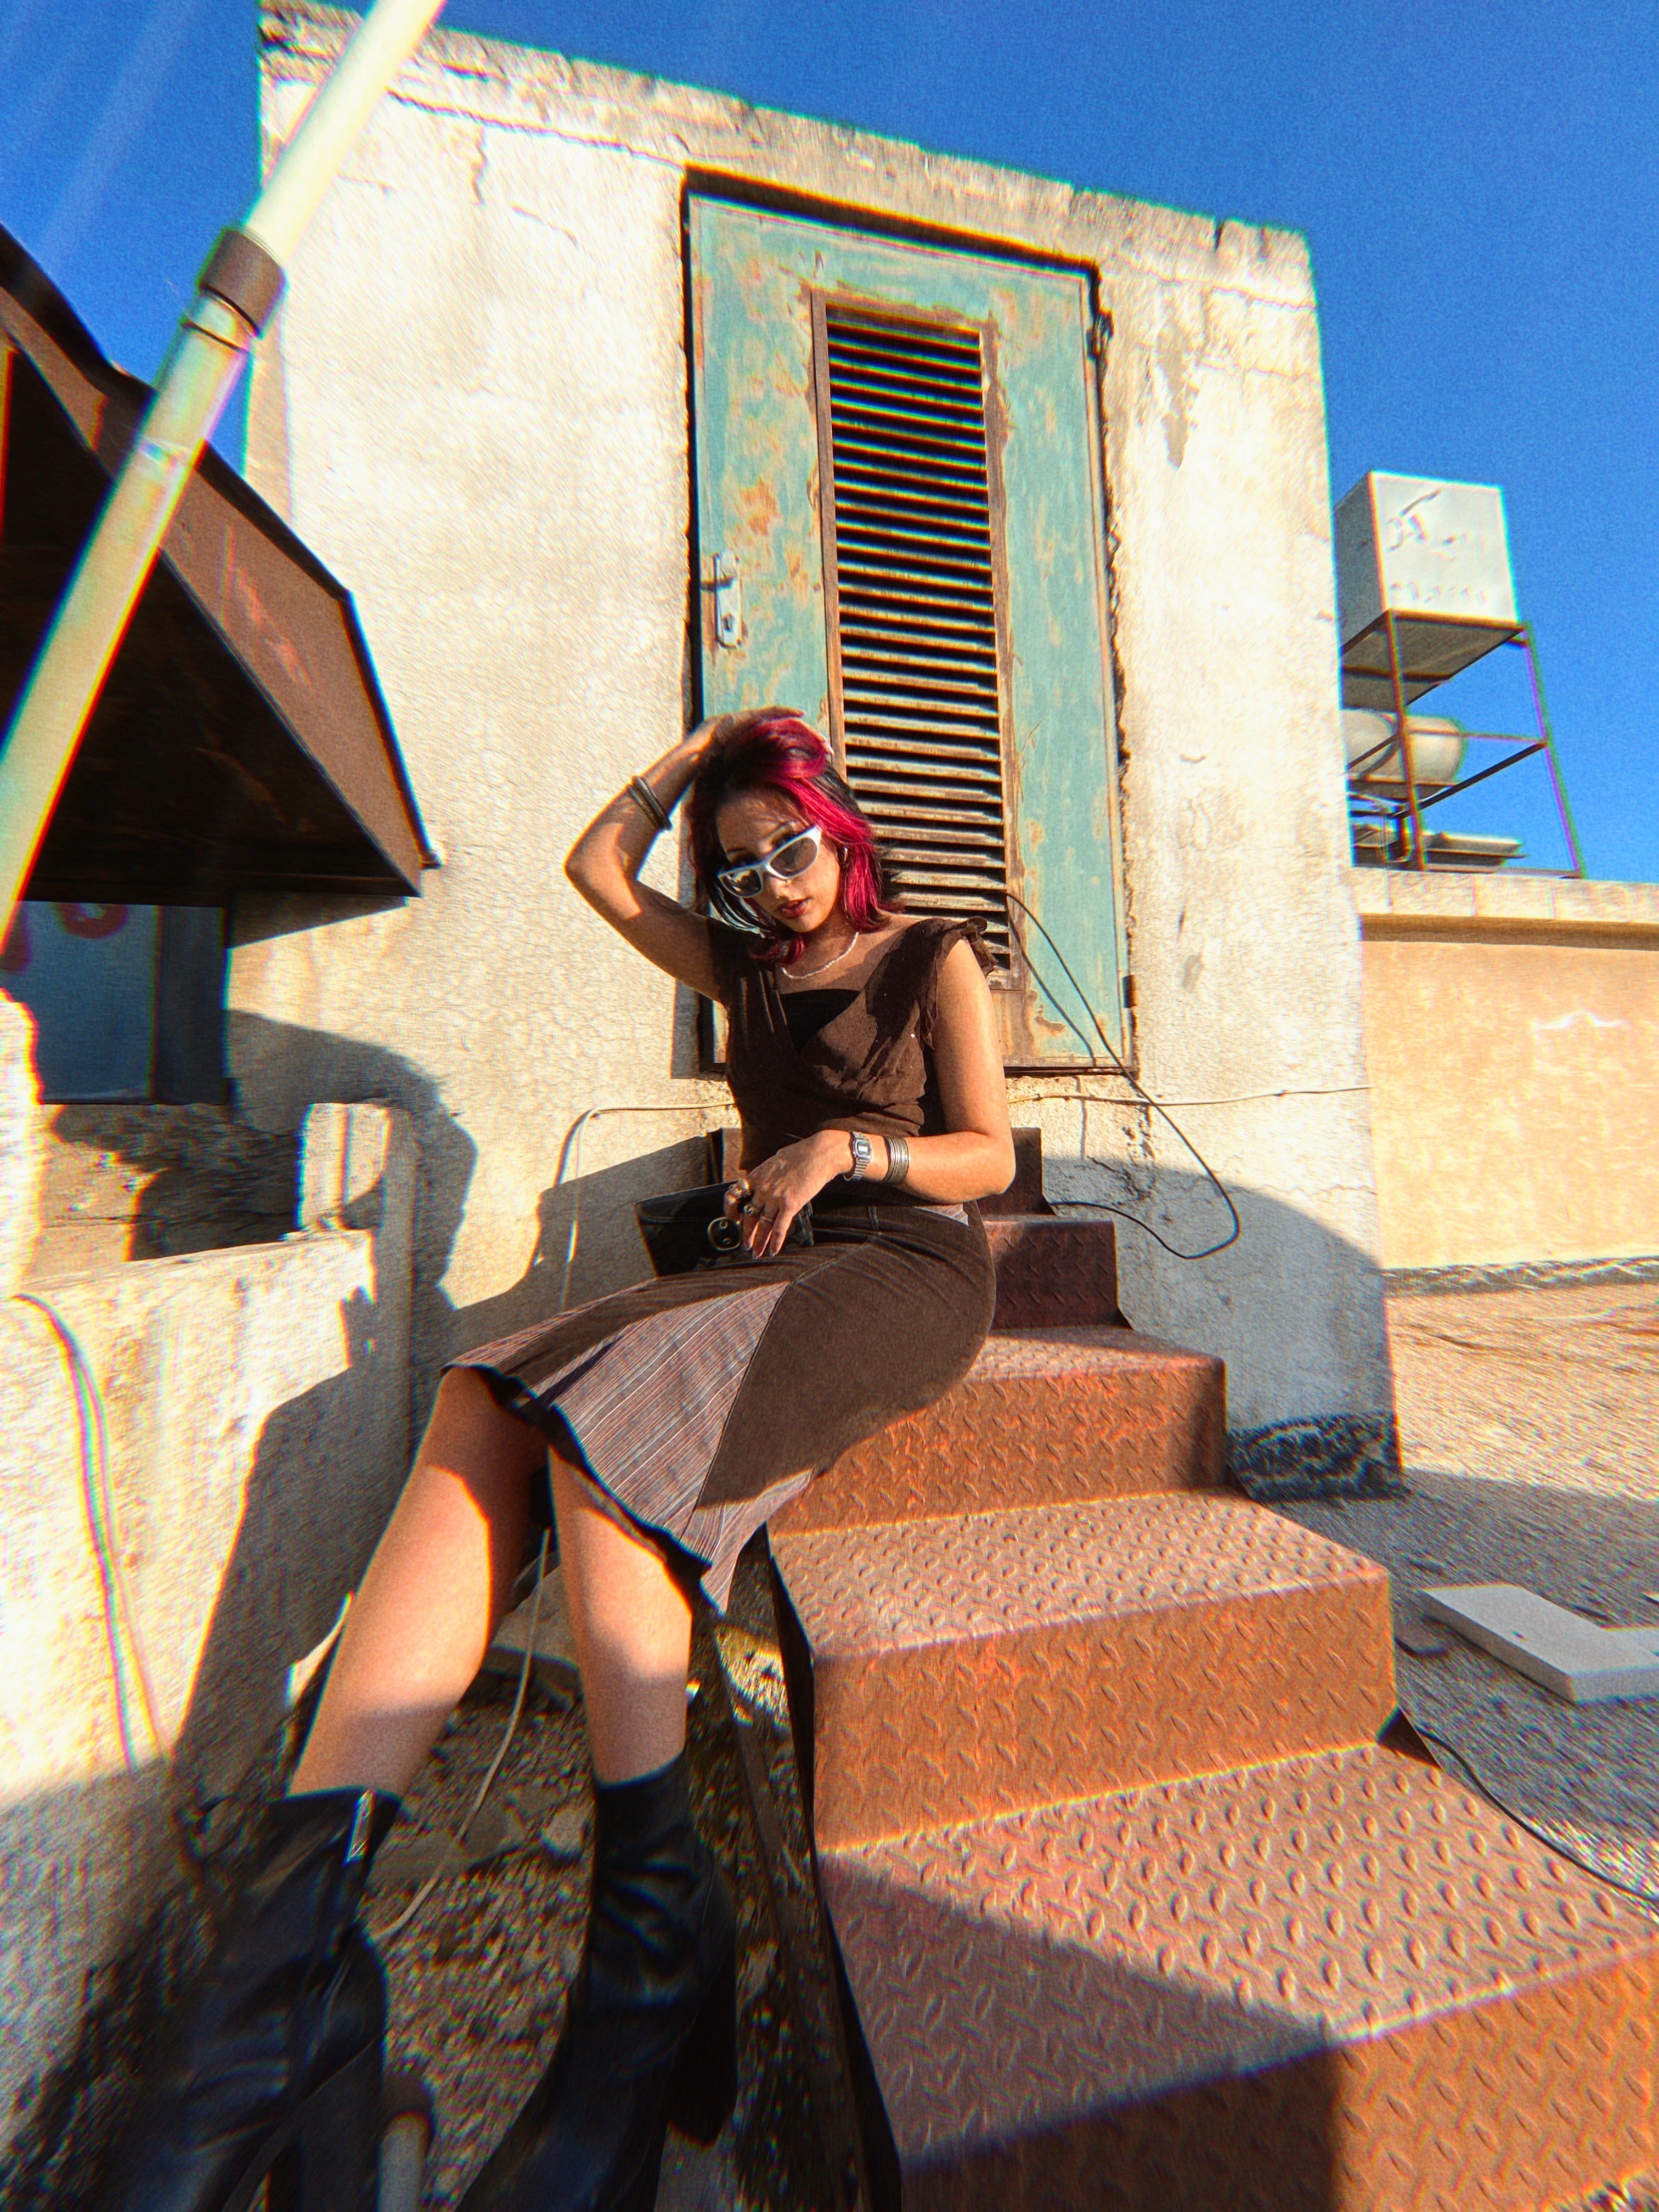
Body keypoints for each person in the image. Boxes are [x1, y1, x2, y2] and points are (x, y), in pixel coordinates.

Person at [111, 709, 1013, 2212]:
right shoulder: (744, 966)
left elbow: (989, 1152)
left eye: (789, 847)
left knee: (607, 1438)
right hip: (765, 1267)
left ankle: (649, 1938)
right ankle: (279, 1978)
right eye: (739, 869)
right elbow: (598, 868)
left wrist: (846, 1151)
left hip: (905, 1265)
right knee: (485, 1393)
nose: (772, 887)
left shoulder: (930, 955)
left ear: (837, 826)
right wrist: (694, 757)